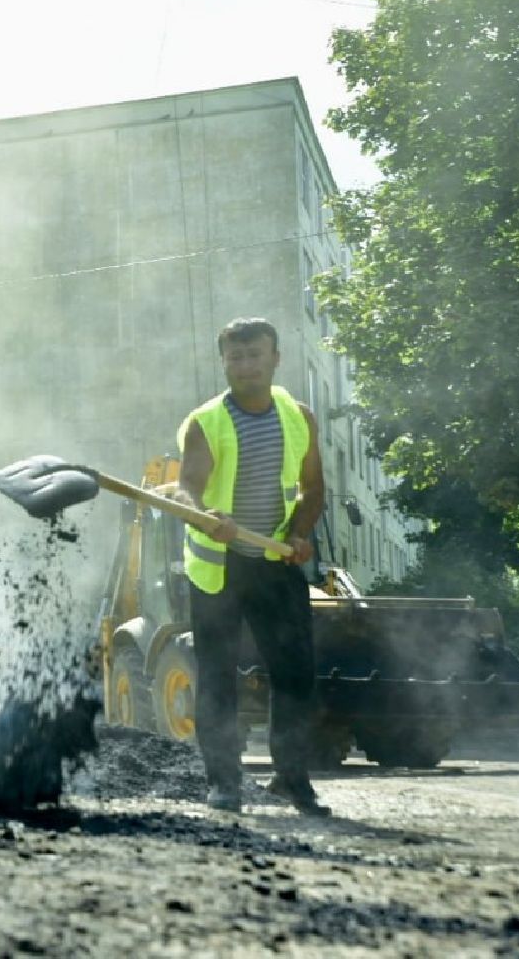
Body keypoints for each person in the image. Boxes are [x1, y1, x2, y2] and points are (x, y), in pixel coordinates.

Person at [176, 317, 330, 817]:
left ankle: (292, 779)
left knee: (295, 675)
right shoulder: (206, 421)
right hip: (218, 569)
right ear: (224, 362)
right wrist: (206, 516)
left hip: (276, 563)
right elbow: (186, 488)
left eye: (255, 355)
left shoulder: (298, 416)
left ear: (275, 358)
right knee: (218, 676)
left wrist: (300, 534)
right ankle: (224, 784)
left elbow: (313, 490)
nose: (245, 365)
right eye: (235, 357)